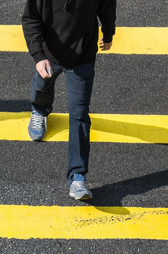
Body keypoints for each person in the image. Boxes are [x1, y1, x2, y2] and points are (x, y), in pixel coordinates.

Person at [22, 0, 116, 200]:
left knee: (80, 115)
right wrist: (38, 56)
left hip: (82, 58)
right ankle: (39, 110)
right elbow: (30, 18)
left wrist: (108, 34)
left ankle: (77, 177)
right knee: (42, 87)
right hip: (48, 55)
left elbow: (107, 8)